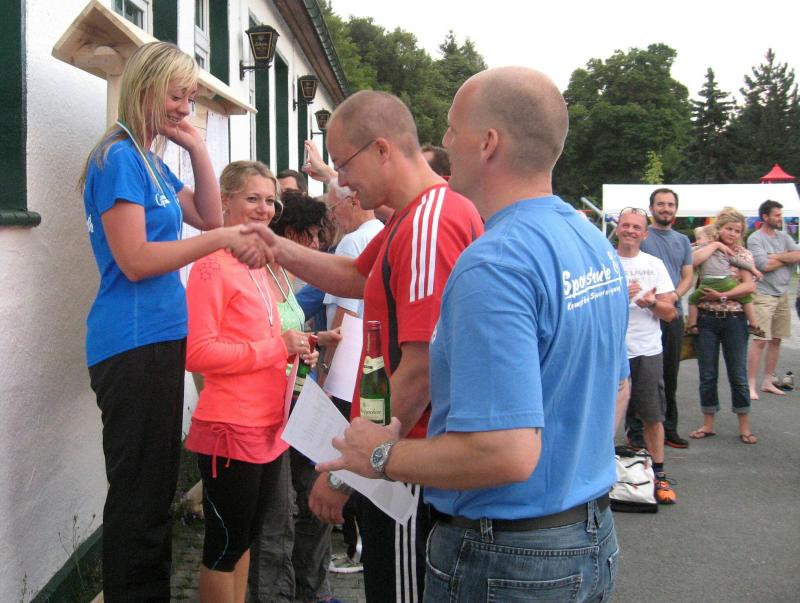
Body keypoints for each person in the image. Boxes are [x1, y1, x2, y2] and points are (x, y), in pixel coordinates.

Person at [316, 67, 630, 602]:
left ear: (488, 143)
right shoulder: (591, 242)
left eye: (452, 128)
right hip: (588, 535)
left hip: (509, 555)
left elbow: (504, 454)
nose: (444, 143)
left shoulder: (496, 263)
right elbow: (618, 388)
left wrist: (379, 457)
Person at [247, 90, 484, 603]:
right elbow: (356, 274)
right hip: (396, 455)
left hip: (405, 459)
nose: (341, 181)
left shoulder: (428, 223)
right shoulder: (415, 215)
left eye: (342, 163)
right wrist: (274, 246)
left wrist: (348, 471)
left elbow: (420, 370)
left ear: (381, 149)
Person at [80, 42, 267, 601]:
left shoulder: (150, 161)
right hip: (133, 342)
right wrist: (221, 239)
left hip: (160, 339)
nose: (185, 108)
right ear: (145, 86)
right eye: (177, 96)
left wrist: (198, 148)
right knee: (139, 498)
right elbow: (136, 260)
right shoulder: (118, 157)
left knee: (154, 492)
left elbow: (208, 214)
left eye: (190, 99)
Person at [184, 161, 317, 603]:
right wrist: (278, 347)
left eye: (270, 200)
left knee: (244, 543)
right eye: (252, 198)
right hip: (231, 429)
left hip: (268, 427)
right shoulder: (210, 266)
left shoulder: (259, 264)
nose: (264, 209)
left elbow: (265, 339)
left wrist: (300, 349)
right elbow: (197, 353)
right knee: (224, 548)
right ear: (225, 201)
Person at [246, 189, 341, 603]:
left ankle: (312, 591)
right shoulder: (254, 275)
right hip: (271, 405)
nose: (316, 245)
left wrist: (313, 341)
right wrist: (292, 346)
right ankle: (273, 595)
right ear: (285, 233)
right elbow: (254, 341)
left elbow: (287, 334)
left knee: (316, 499)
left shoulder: (286, 276)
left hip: (301, 397)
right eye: (309, 235)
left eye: (320, 237)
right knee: (278, 512)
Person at [616, 208, 679, 504]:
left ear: (645, 233)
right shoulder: (603, 261)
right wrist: (620, 295)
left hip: (646, 350)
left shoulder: (654, 265)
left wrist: (651, 302)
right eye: (625, 225)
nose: (630, 230)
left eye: (636, 227)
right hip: (611, 351)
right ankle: (598, 474)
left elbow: (670, 314)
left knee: (652, 415)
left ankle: (659, 474)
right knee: (603, 414)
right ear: (618, 228)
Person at [629, 188, 694, 451]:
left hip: (671, 312)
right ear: (652, 208)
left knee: (669, 372)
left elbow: (687, 275)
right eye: (661, 204)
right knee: (640, 372)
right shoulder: (644, 236)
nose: (666, 208)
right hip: (644, 312)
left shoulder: (682, 240)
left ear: (675, 209)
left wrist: (674, 296)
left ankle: (669, 427)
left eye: (670, 204)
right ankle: (635, 430)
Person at [689, 208, 758, 444]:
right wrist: (716, 245)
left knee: (737, 374)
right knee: (707, 374)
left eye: (737, 231)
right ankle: (708, 423)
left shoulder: (743, 254)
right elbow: (692, 262)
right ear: (719, 229)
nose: (732, 234)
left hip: (735, 320)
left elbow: (749, 286)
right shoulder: (707, 248)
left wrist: (721, 295)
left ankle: (745, 426)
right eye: (729, 229)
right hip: (707, 319)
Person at [746, 200, 800, 399]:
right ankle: (750, 384)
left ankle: (768, 381)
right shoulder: (755, 239)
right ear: (765, 217)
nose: (780, 218)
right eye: (777, 215)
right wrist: (786, 256)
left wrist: (775, 256)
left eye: (780, 214)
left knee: (776, 339)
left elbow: (798, 255)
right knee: (760, 340)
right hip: (764, 295)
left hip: (782, 294)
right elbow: (763, 265)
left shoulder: (784, 236)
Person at [685, 224, 764, 337]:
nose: (697, 241)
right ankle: (753, 324)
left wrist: (720, 295)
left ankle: (691, 325)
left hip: (709, 284)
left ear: (710, 238)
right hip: (725, 282)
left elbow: (685, 253)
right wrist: (753, 269)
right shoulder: (721, 250)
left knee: (692, 299)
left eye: (699, 238)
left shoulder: (700, 249)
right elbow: (738, 261)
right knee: (747, 299)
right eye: (729, 229)